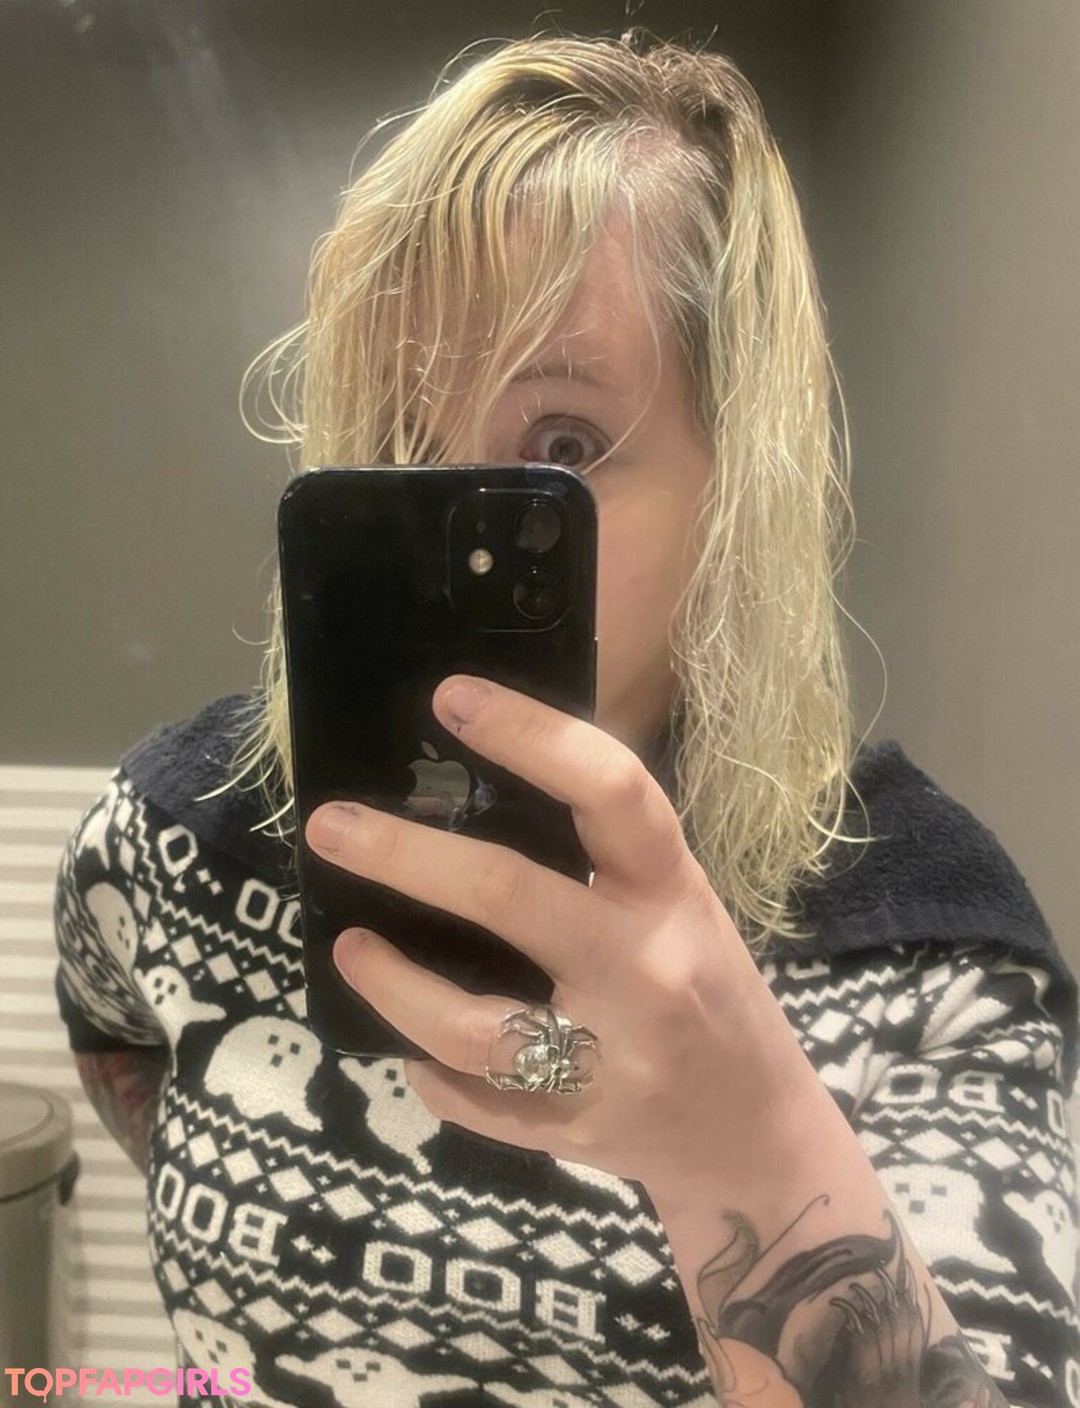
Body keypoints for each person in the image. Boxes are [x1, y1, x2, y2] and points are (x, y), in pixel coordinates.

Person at [54, 32, 1078, 1408]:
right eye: (400, 436)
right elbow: (118, 1034)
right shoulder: (174, 831)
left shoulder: (930, 954)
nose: (448, 515)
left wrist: (749, 1144)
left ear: (736, 484)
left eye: (561, 449)